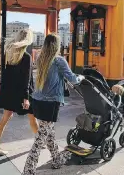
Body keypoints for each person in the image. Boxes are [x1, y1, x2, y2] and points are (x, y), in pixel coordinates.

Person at [23, 33, 80, 175]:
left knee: (49, 133)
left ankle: (56, 159)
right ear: (57, 45)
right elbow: (72, 79)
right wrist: (81, 77)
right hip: (50, 103)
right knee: (41, 137)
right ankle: (28, 170)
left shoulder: (40, 57)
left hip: (37, 100)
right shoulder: (59, 60)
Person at [0, 29, 38, 156]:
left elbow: (5, 75)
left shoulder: (8, 54)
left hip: (9, 91)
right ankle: (40, 142)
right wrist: (26, 98)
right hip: (22, 93)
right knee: (33, 118)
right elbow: (26, 80)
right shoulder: (26, 57)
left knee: (5, 118)